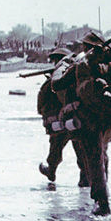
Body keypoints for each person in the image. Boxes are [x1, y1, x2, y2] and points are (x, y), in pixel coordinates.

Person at [49, 33, 111, 215]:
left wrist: (64, 65)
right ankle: (99, 193)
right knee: (102, 153)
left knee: (94, 155)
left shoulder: (83, 63)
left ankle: (102, 201)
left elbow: (57, 84)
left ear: (86, 47)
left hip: (89, 116)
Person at [36, 47, 88, 187]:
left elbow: (42, 102)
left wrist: (46, 118)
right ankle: (85, 178)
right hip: (75, 118)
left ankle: (51, 171)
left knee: (56, 148)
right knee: (80, 148)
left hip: (61, 121)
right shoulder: (76, 76)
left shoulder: (55, 80)